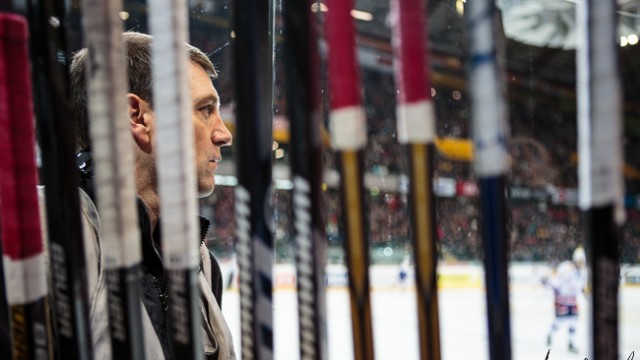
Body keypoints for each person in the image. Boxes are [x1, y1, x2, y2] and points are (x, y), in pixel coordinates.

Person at [66, 31, 235, 359]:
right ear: (137, 116)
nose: (224, 134)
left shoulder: (200, 263)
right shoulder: (41, 241)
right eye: (205, 109)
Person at [544, 246, 587, 353]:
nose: (581, 263)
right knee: (560, 321)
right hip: (562, 299)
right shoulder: (566, 268)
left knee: (574, 320)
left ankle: (571, 343)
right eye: (579, 261)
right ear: (575, 260)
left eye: (583, 261)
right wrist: (550, 285)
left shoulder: (582, 272)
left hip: (572, 299)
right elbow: (556, 281)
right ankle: (550, 334)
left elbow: (580, 286)